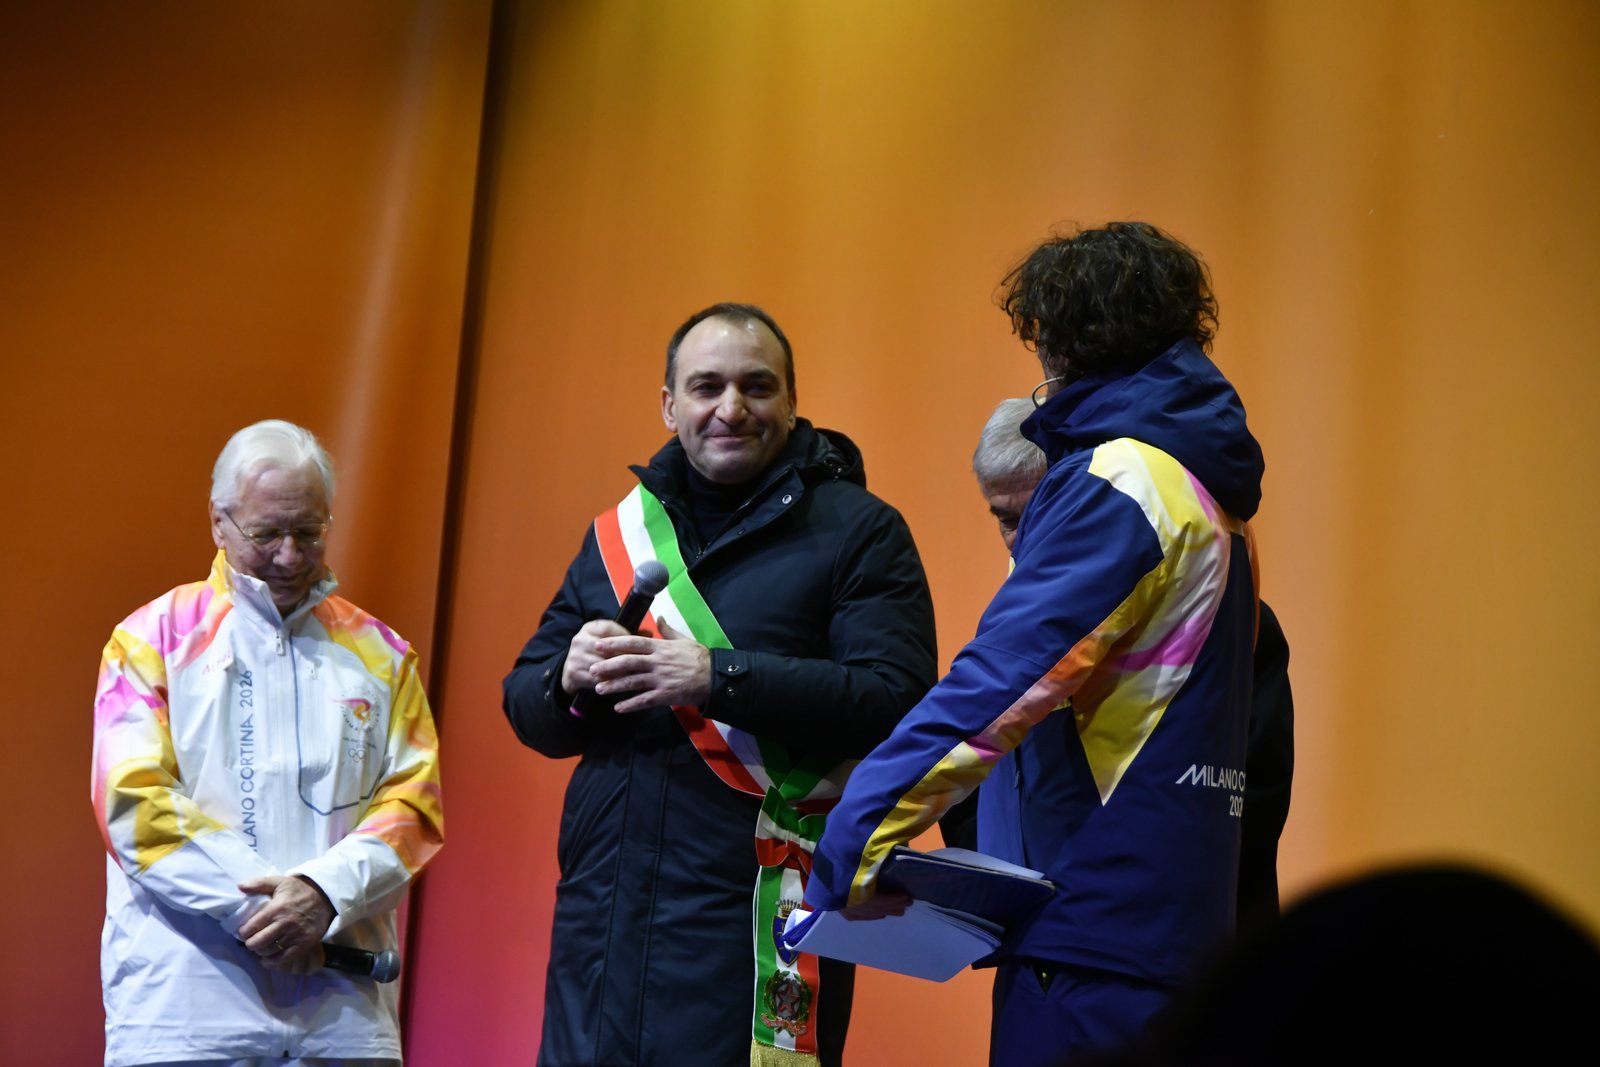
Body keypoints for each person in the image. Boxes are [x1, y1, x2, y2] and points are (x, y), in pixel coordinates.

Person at [806, 222, 1266, 1065]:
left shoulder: (1124, 480)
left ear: (1064, 343)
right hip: (1167, 940)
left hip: (1091, 950)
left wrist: (853, 842)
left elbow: (999, 684)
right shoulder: (1210, 492)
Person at [504, 303, 937, 1067]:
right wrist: (565, 676)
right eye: (706, 387)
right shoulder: (616, 535)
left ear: (792, 401)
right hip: (601, 923)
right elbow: (527, 708)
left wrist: (717, 676)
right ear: (669, 405)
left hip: (750, 918)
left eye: (756, 387)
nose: (731, 408)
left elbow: (894, 701)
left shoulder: (861, 530)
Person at [91, 419, 445, 1066]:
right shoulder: (149, 642)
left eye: (308, 531)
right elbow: (134, 804)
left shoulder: (384, 655)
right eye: (266, 534)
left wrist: (324, 895)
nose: (289, 556)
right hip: (186, 1014)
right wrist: (273, 916)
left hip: (343, 1019)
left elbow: (414, 807)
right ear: (218, 522)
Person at [970, 397, 1294, 929]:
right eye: (1007, 520)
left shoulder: (1226, 619)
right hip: (1040, 932)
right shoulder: (1013, 621)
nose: (1023, 540)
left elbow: (1247, 799)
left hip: (1165, 929)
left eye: (1041, 513)